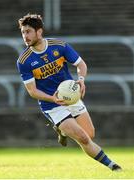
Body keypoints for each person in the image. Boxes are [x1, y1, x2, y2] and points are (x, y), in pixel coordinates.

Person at [17, 13, 122, 171]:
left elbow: (81, 65)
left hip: (71, 97)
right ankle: (114, 167)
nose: (25, 36)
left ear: (39, 31)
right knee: (83, 138)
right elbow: (32, 91)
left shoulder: (59, 46)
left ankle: (62, 131)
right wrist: (53, 99)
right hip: (51, 104)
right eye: (23, 32)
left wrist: (81, 79)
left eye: (28, 31)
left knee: (90, 135)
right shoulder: (24, 61)